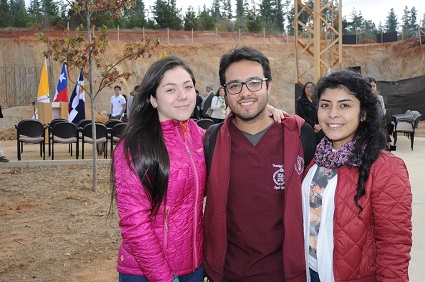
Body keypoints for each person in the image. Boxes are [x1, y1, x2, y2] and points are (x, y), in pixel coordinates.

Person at [203, 46, 316, 281]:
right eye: (234, 85)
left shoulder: (299, 135)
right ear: (224, 92)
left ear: (269, 85)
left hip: (286, 272)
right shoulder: (212, 140)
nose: (245, 93)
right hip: (227, 272)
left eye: (254, 82)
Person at [302, 70, 412, 281]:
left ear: (363, 113)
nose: (332, 114)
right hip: (311, 270)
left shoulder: (385, 168)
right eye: (325, 105)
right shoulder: (318, 157)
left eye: (345, 105)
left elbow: (394, 245)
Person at [110, 56, 206, 282]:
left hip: (193, 267)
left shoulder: (196, 134)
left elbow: (230, 136)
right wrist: (163, 277)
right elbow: (134, 223)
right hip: (149, 273)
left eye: (188, 87)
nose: (183, 96)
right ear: (153, 99)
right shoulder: (137, 146)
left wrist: (263, 112)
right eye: (170, 89)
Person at [366, 77, 393, 149]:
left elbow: (382, 119)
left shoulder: (378, 99)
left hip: (378, 132)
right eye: (369, 86)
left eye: (374, 86)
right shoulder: (362, 100)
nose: (372, 88)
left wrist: (388, 139)